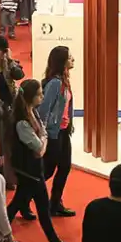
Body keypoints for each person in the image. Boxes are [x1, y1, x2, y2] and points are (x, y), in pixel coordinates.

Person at [6, 79, 79, 242]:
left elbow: (43, 135)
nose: (43, 96)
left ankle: (0, 235)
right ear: (31, 97)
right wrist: (43, 141)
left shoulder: (33, 114)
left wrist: (43, 140)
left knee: (17, 202)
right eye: (39, 94)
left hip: (32, 170)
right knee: (43, 208)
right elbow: (39, 148)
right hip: (29, 171)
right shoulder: (22, 122)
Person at [39, 46, 77, 217]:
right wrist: (44, 132)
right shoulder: (55, 83)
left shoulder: (64, 81)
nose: (73, 59)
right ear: (62, 62)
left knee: (64, 167)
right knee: (47, 170)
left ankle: (55, 203)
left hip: (63, 131)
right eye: (70, 57)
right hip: (54, 133)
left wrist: (70, 122)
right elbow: (44, 109)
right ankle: (24, 199)